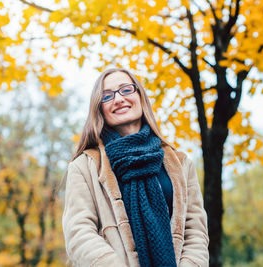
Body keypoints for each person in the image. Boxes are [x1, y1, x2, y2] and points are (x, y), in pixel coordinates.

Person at [62, 68, 209, 267]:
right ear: (99, 108)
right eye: (107, 96)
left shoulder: (181, 163)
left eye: (126, 90)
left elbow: (195, 231)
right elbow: (79, 233)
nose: (119, 99)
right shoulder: (83, 166)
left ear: (140, 96)